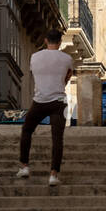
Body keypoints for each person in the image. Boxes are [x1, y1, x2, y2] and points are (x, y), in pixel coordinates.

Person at [15, 30, 74, 186]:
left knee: (27, 130)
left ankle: (24, 166)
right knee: (57, 138)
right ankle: (53, 175)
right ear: (60, 42)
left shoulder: (35, 57)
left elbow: (34, 74)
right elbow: (67, 77)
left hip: (39, 101)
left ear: (46, 40)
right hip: (59, 102)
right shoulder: (67, 59)